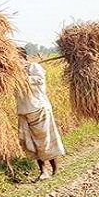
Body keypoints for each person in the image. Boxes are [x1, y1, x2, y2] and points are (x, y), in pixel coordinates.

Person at [16, 47, 65, 181]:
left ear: (22, 57)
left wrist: (21, 75)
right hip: (24, 111)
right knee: (32, 143)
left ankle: (55, 168)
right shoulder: (12, 74)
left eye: (16, 57)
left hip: (39, 108)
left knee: (46, 140)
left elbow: (39, 80)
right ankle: (43, 170)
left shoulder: (34, 67)